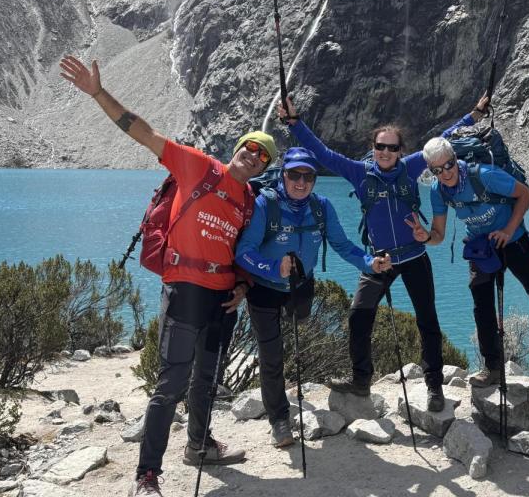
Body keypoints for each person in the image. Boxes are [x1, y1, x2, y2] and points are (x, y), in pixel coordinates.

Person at [60, 56, 276, 497]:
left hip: (221, 298)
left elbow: (244, 251)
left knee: (207, 378)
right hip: (183, 289)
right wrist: (98, 92)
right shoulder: (197, 166)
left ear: (263, 168)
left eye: (262, 157)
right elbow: (141, 131)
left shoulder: (249, 201)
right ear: (238, 147)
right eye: (250, 148)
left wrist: (241, 285)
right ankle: (147, 474)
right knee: (172, 382)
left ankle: (199, 446)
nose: (253, 157)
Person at [277, 96, 462, 411]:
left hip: (415, 256)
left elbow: (442, 141)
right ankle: (361, 380)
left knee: (427, 320)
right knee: (359, 316)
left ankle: (434, 387)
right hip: (379, 260)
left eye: (392, 148)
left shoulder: (413, 165)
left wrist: (473, 115)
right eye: (380, 146)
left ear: (400, 151)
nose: (386, 152)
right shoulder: (359, 172)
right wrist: (295, 122)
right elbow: (323, 153)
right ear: (373, 147)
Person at [234, 147, 392, 448]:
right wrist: (272, 267)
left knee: (300, 320)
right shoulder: (266, 205)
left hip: (302, 286)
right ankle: (279, 420)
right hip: (265, 290)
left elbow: (344, 246)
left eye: (308, 176)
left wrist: (370, 262)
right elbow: (244, 252)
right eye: (294, 174)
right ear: (284, 175)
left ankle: (284, 394)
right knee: (272, 356)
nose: (301, 182)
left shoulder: (322, 207)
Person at [420, 134, 529, 388]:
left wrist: (509, 230)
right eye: (437, 170)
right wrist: (423, 237)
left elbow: (524, 194)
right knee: (481, 304)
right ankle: (492, 368)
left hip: (514, 239)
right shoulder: (438, 191)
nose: (445, 173)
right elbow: (438, 235)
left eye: (448, 165)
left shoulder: (485, 175)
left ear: (455, 159)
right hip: (481, 247)